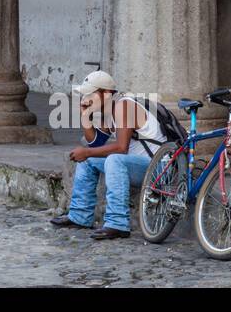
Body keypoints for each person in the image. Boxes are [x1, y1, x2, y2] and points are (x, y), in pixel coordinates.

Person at [49, 70, 168, 240]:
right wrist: (85, 116)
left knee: (114, 160)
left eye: (89, 94)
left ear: (106, 94)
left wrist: (87, 151)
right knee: (89, 159)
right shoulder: (110, 110)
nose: (85, 98)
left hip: (160, 170)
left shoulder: (124, 106)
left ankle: (118, 223)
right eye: (84, 94)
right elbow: (96, 143)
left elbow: (121, 148)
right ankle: (80, 216)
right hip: (142, 166)